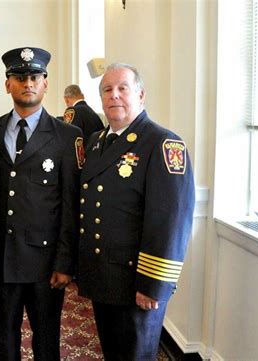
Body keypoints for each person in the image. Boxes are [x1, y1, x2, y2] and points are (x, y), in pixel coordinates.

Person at [77, 63, 195, 360]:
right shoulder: (95, 143)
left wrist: (153, 284)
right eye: (107, 90)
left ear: (140, 95)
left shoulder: (163, 143)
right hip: (104, 278)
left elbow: (171, 221)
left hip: (137, 283)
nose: (114, 95)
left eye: (122, 88)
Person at [0, 47, 83, 361]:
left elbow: (70, 204)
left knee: (47, 340)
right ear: (7, 84)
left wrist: (65, 262)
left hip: (45, 263)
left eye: (35, 77)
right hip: (2, 259)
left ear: (45, 83)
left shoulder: (68, 136)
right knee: (2, 340)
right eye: (20, 77)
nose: (28, 83)